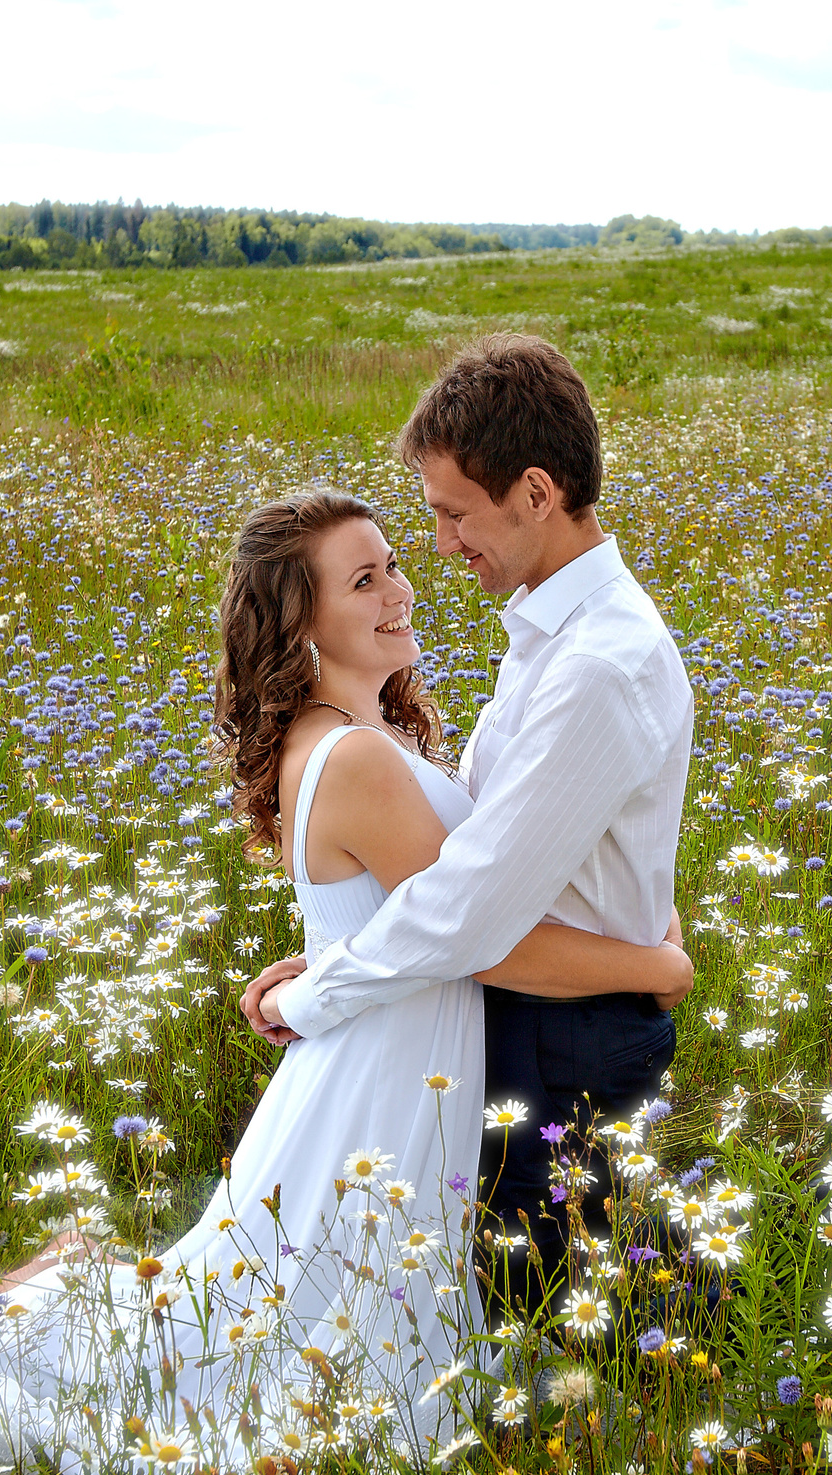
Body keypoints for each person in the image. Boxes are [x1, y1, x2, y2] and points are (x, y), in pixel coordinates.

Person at [0, 487, 690, 1475]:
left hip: (391, 1038)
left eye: (394, 565)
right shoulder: (362, 758)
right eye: (362, 581)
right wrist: (658, 962)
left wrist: (326, 962)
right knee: (306, 1321)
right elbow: (479, 939)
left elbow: (415, 914)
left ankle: (79, 1285)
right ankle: (56, 1310)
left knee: (313, 1287)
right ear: (300, 622)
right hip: (388, 1065)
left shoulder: (360, 740)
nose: (398, 592)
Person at [247, 333, 695, 1325]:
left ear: (535, 492)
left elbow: (470, 912)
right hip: (527, 1017)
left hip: (564, 1037)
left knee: (560, 1329)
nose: (443, 546)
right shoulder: (548, 635)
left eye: (452, 514)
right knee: (522, 1313)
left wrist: (324, 990)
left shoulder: (592, 666)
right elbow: (471, 874)